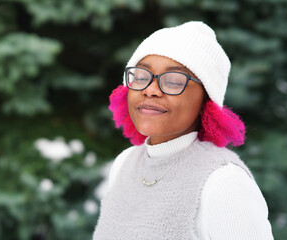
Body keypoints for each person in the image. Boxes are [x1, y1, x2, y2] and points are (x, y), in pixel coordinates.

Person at [92, 21, 274, 240]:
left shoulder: (223, 182)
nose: (150, 90)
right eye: (141, 77)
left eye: (173, 81)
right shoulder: (124, 163)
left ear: (206, 101)